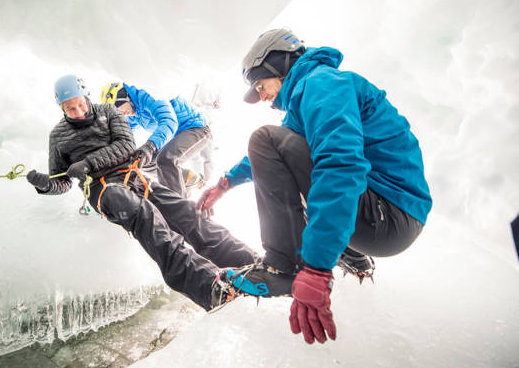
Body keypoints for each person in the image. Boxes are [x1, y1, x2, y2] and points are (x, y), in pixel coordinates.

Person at [196, 28, 432, 344]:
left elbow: (341, 168)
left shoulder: (322, 85)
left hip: (387, 217)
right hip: (390, 218)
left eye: (259, 85)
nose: (261, 96)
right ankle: (355, 256)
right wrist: (226, 183)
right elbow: (279, 161)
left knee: (265, 139)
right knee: (279, 150)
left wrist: (317, 267)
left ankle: (282, 268)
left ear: (275, 65)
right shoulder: (313, 94)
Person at [26, 74, 258, 312]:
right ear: (62, 108)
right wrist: (45, 185)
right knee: (148, 219)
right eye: (71, 109)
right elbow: (62, 180)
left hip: (133, 176)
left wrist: (88, 163)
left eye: (81, 104)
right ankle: (210, 286)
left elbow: (126, 145)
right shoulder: (58, 136)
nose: (80, 112)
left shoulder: (108, 112)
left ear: (87, 97)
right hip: (104, 190)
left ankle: (249, 262)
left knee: (187, 212)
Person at [100, 82, 211, 198]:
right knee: (141, 161)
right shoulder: (133, 112)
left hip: (196, 128)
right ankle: (187, 180)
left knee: (166, 159)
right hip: (175, 136)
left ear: (124, 98)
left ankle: (177, 205)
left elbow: (169, 122)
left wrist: (150, 146)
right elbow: (124, 135)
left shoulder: (150, 95)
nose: (122, 114)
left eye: (119, 109)